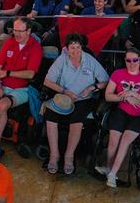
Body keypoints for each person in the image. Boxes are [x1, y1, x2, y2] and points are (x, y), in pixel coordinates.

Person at [42, 33, 109, 175]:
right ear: (66, 48)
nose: (76, 51)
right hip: (63, 97)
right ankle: (54, 155)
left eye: (78, 47)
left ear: (82, 47)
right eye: (72, 48)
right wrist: (65, 91)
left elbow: (105, 81)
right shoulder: (62, 60)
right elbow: (47, 81)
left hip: (83, 98)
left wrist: (92, 87)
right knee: (50, 116)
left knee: (76, 120)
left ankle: (69, 157)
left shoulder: (89, 60)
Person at [97, 48, 140, 187]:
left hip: (139, 116)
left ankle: (112, 174)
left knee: (124, 141)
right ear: (125, 61)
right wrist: (126, 97)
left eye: (135, 60)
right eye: (128, 60)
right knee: (113, 141)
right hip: (122, 111)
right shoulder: (118, 74)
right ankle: (109, 168)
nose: (132, 63)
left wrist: (134, 94)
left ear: (139, 60)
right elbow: (108, 96)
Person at [0, 17, 42, 144]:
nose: (16, 34)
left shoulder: (35, 47)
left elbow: (30, 74)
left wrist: (8, 73)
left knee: (2, 105)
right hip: (2, 83)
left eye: (20, 31)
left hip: (22, 88)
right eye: (15, 30)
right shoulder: (9, 42)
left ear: (28, 31)